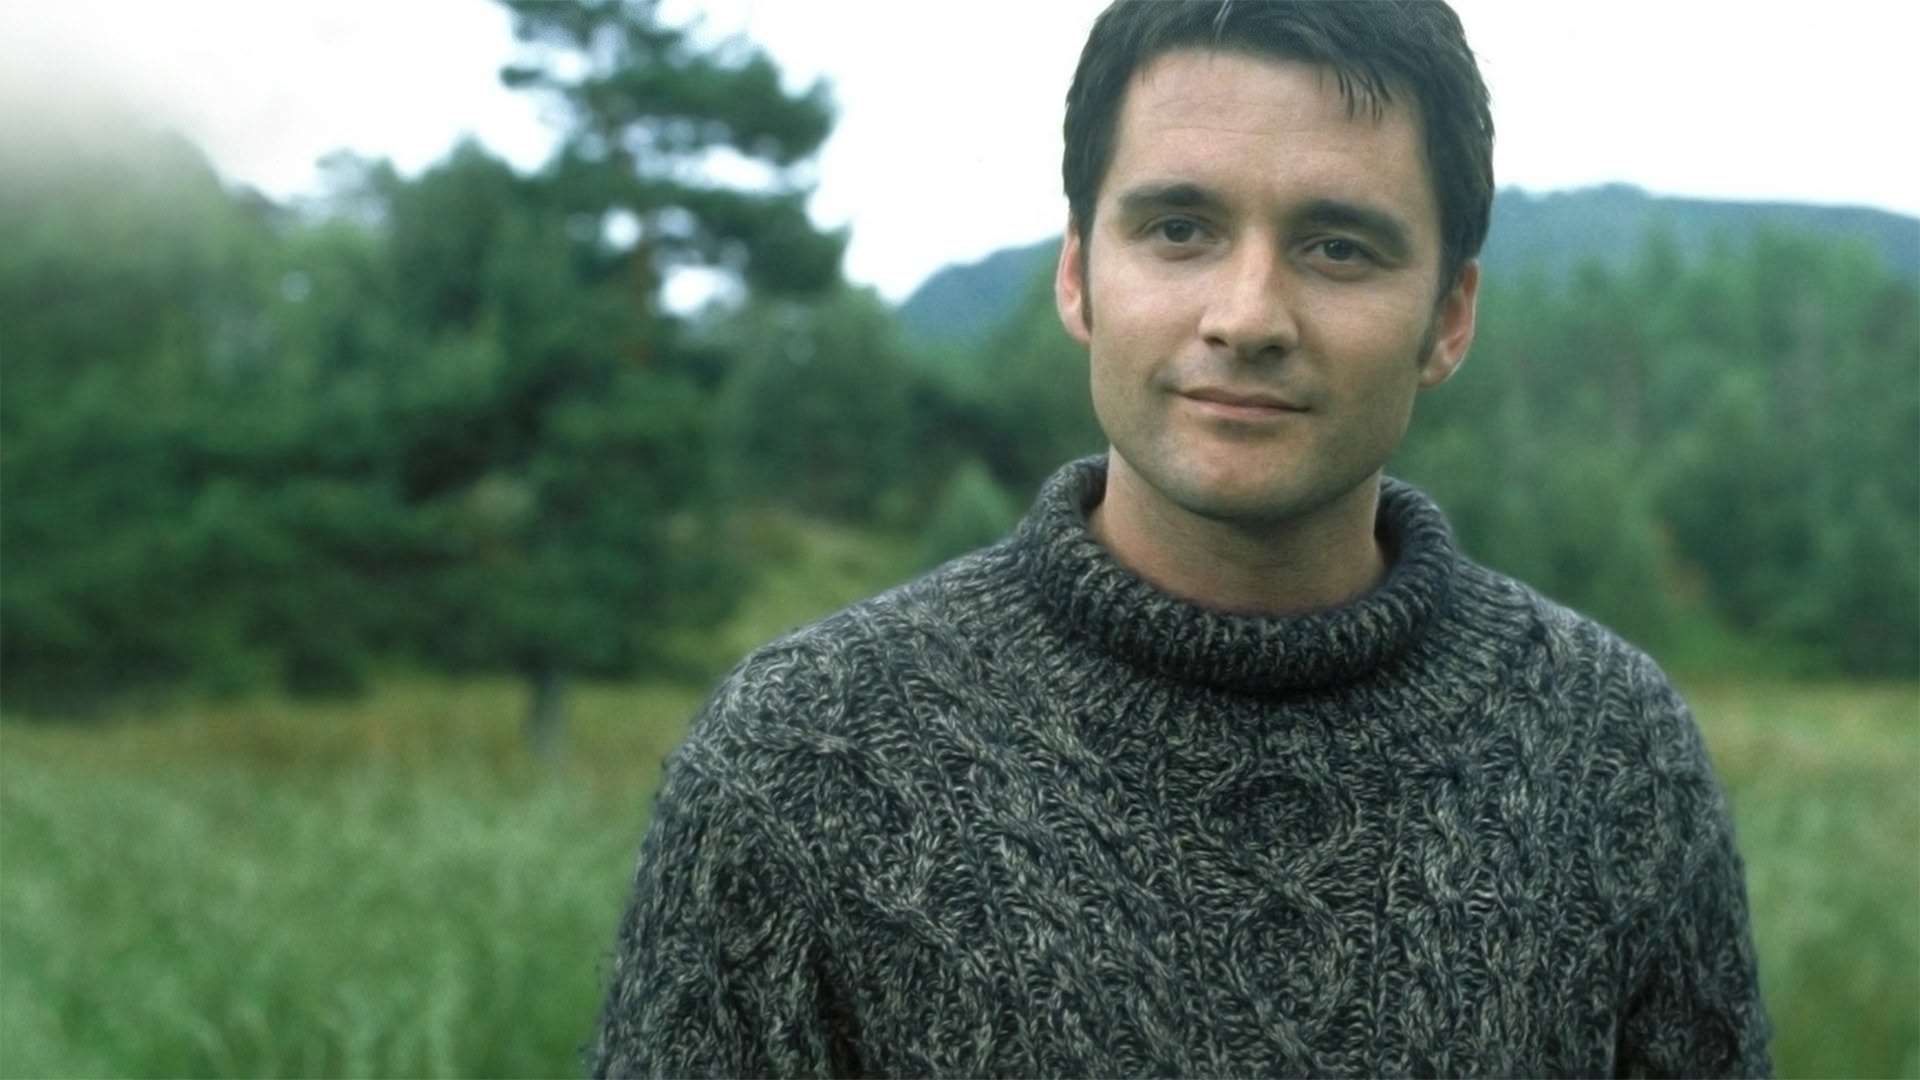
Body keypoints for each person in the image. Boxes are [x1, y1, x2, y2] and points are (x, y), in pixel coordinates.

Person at [592, 1, 1771, 1075]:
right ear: (1078, 275)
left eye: (1338, 247)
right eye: (1178, 228)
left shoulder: (1610, 749)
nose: (1247, 317)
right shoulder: (805, 757)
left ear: (1448, 318)